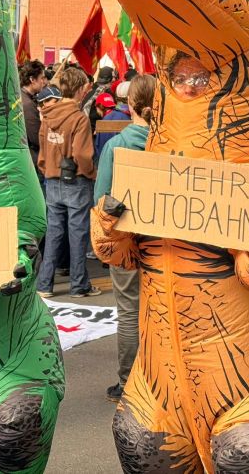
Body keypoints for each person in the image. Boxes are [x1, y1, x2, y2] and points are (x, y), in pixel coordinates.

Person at [94, 74, 156, 402]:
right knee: (163, 309)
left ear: (129, 103)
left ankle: (129, 381)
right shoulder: (170, 144)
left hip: (127, 242)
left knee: (130, 310)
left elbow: (102, 200)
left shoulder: (117, 147)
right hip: (166, 244)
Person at [36, 67, 101, 298]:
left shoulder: (47, 115)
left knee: (54, 233)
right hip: (76, 182)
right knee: (78, 234)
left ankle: (44, 284)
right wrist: (91, 172)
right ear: (80, 89)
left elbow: (43, 151)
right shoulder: (78, 118)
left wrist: (47, 169)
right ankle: (79, 285)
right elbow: (82, 155)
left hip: (52, 179)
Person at [19, 59, 47, 171]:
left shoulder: (26, 98)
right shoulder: (27, 104)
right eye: (41, 78)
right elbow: (36, 137)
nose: (43, 82)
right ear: (32, 79)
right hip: (32, 159)